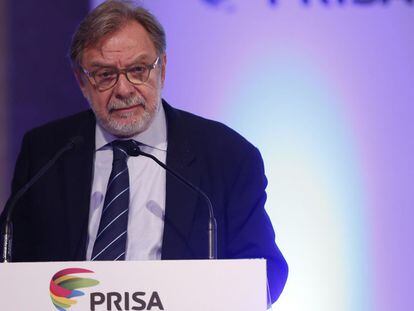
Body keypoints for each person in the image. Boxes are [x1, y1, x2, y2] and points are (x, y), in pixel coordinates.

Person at [0, 0, 288, 303]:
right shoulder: (47, 152)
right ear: (81, 80)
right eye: (104, 75)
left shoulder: (227, 156)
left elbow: (265, 270)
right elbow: (12, 263)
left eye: (138, 70)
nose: (124, 89)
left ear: (162, 69)